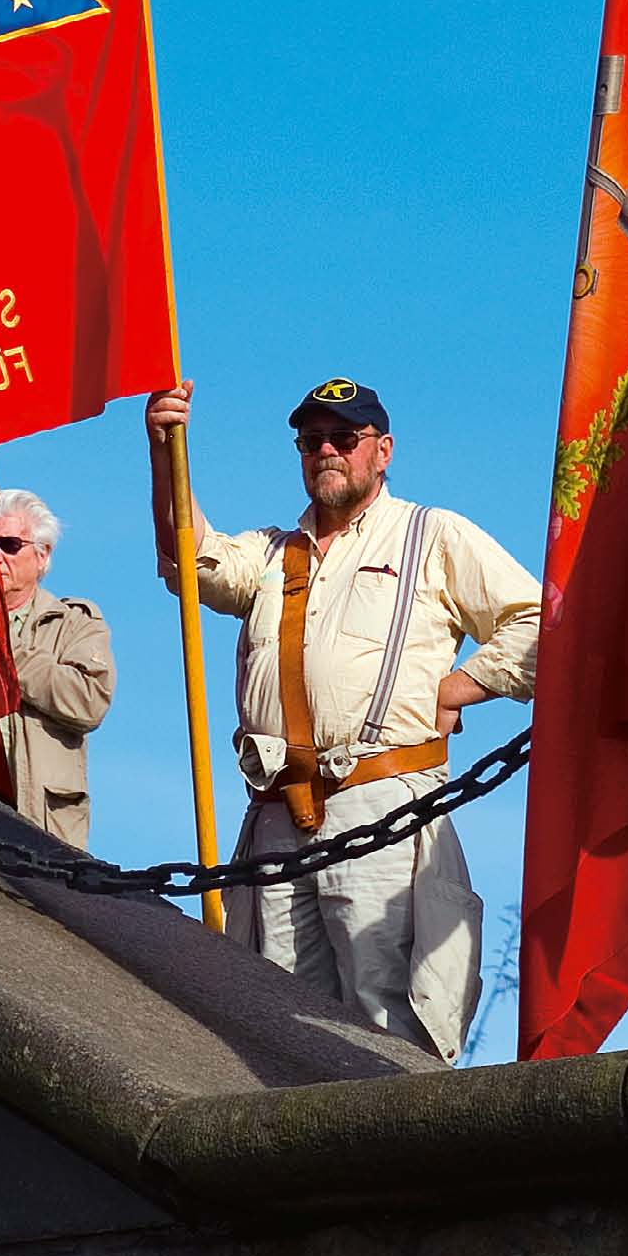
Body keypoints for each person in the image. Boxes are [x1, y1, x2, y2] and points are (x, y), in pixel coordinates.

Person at [144, 375, 541, 1062]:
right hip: (275, 812)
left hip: (379, 803)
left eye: (343, 437)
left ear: (381, 451)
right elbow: (191, 562)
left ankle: (396, 1161)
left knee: (386, 1020)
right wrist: (165, 451)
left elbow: (538, 623)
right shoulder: (272, 551)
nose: (325, 450)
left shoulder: (431, 533)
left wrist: (463, 685)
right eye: (310, 440)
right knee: (267, 1021)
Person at [0, 488, 116, 849]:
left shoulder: (74, 624)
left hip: (40, 825)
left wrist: (3, 649)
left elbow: (89, 701)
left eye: (10, 544)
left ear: (41, 556)